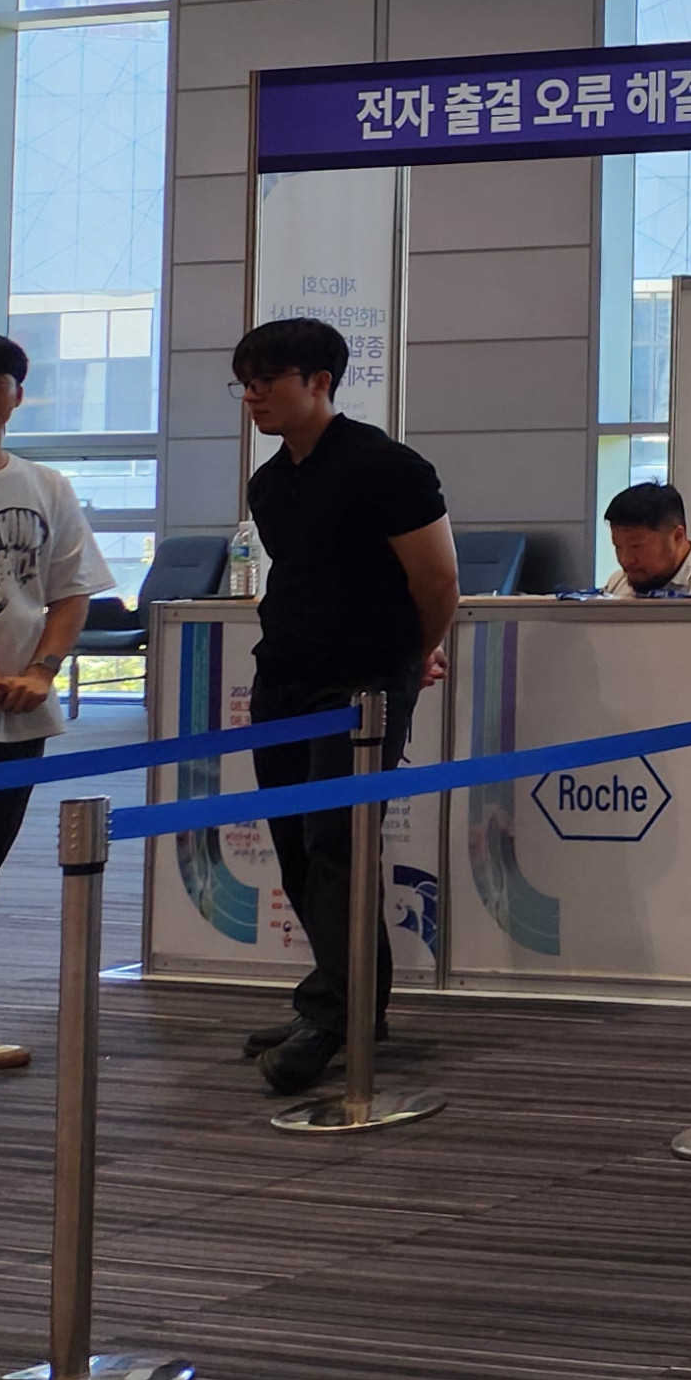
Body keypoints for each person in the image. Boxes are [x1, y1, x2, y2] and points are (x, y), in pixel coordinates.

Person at [234, 317, 460, 1098]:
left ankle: (334, 1015)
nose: (253, 396)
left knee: (338, 841)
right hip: (284, 677)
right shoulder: (270, 483)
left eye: (268, 380)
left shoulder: (386, 466)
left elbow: (438, 579)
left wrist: (413, 656)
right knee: (297, 845)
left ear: (320, 382)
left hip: (361, 684)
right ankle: (350, 999)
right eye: (245, 383)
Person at [0, 332, 113, 1074]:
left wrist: (44, 671)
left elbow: (71, 594)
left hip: (10, 719)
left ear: (17, 395)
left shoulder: (46, 487)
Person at [603, 480, 691, 596]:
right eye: (618, 547)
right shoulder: (618, 584)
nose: (625, 560)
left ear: (677, 537)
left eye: (636, 546)